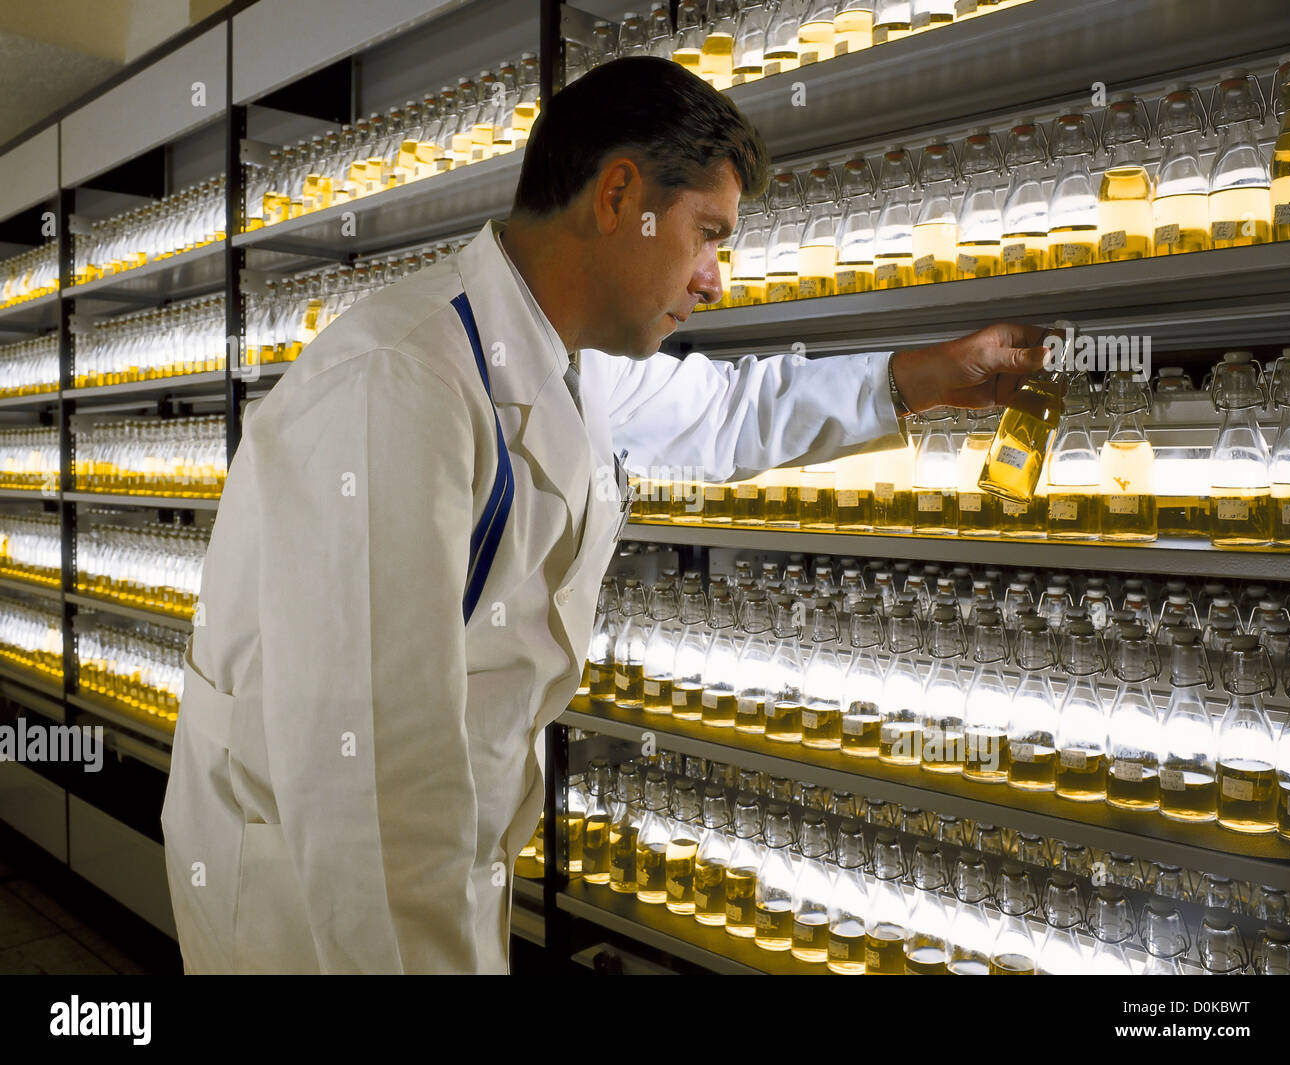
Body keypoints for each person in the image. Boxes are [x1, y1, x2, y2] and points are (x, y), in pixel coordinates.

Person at [160, 56, 1048, 974]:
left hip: (434, 855)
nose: (715, 280)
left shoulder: (570, 357)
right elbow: (373, 789)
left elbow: (729, 412)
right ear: (621, 195)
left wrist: (923, 378)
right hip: (312, 894)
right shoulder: (402, 381)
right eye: (707, 234)